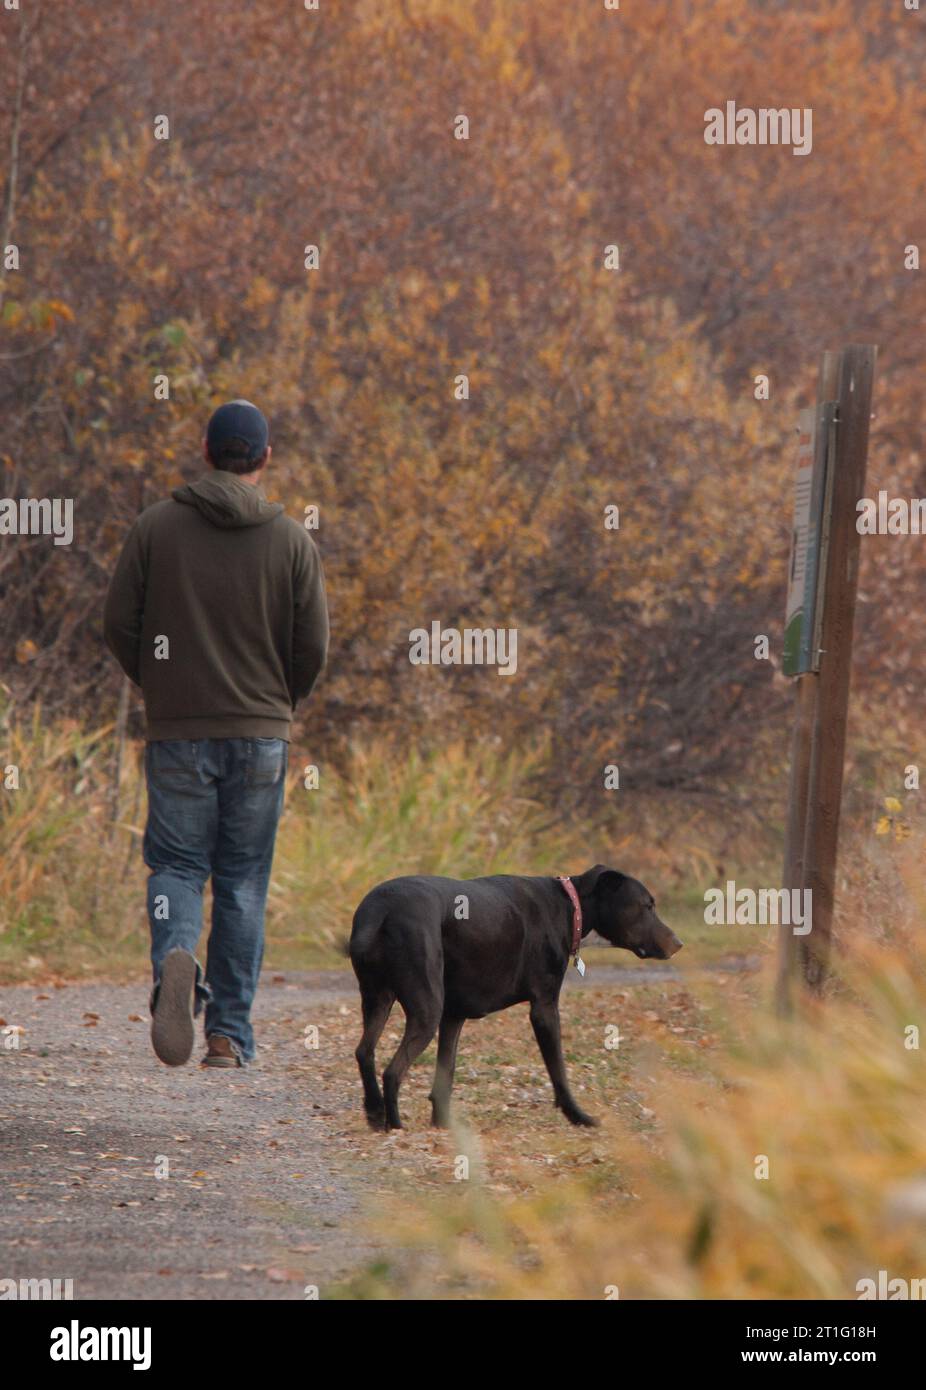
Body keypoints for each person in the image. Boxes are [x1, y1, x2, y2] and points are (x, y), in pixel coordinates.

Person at [103, 400, 329, 1068]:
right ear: (264, 457)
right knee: (242, 883)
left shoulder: (155, 528)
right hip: (260, 733)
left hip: (179, 731)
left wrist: (161, 686)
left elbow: (120, 622)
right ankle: (228, 1034)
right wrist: (278, 703)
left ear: (205, 451)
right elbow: (311, 644)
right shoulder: (292, 540)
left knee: (175, 865)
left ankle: (177, 955)